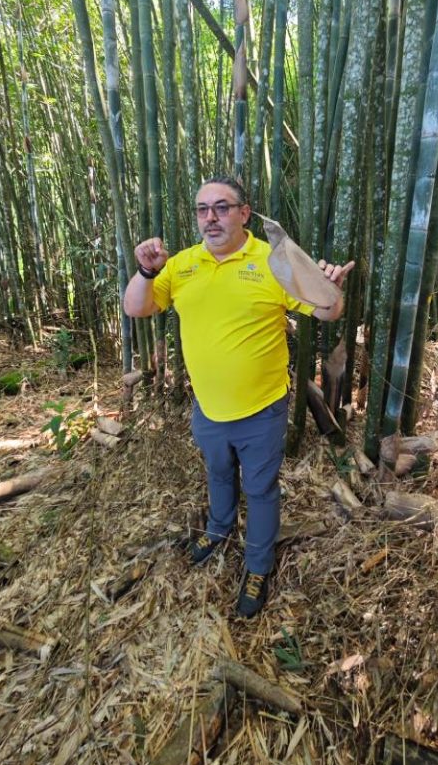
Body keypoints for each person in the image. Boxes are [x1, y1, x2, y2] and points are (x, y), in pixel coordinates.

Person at [124, 177, 354, 618]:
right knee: (218, 473)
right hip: (208, 408)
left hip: (262, 410)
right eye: (202, 209)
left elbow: (327, 311)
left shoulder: (272, 261)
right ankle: (218, 529)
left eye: (222, 207)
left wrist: (329, 287)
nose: (210, 217)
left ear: (244, 213)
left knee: (260, 489)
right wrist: (147, 271)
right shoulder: (182, 265)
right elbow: (137, 307)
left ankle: (258, 565)